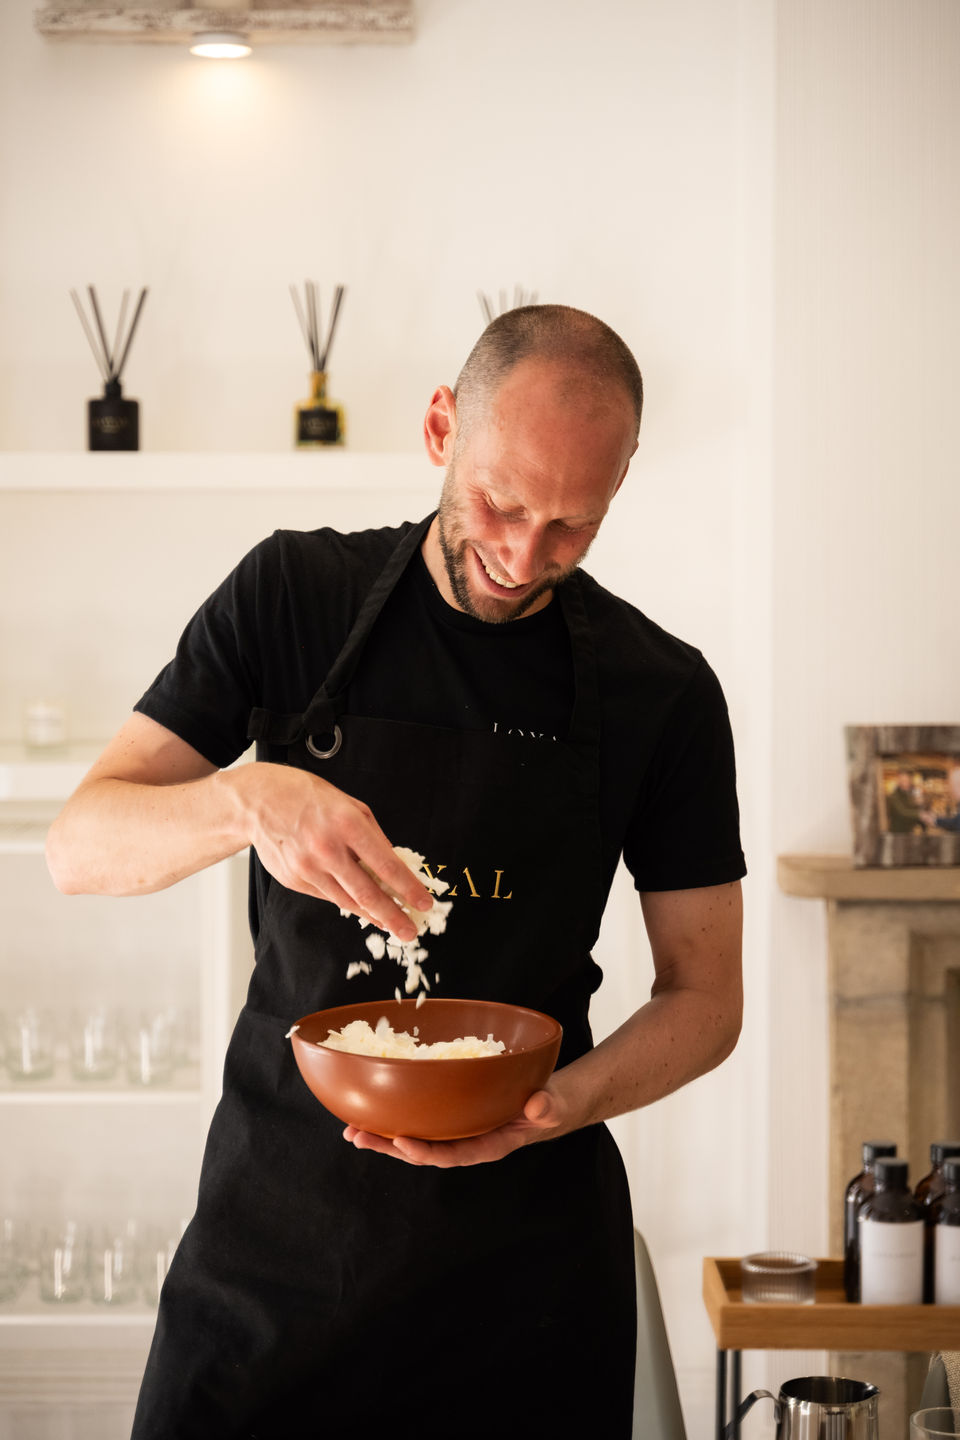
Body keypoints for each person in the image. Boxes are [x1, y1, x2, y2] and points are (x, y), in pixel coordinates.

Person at [45, 305, 745, 1439]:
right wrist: (243, 798)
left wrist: (553, 1107)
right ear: (438, 430)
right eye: (500, 503)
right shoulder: (290, 597)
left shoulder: (660, 691)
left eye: (573, 526)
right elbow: (79, 846)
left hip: (527, 1270)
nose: (523, 558)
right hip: (272, 1248)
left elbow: (707, 999)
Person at [885, 767, 926, 833]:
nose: (905, 782)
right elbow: (903, 812)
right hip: (897, 832)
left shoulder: (912, 793)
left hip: (909, 831)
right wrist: (920, 814)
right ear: (898, 780)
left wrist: (920, 804)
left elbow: (917, 808)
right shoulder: (894, 796)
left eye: (907, 780)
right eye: (902, 780)